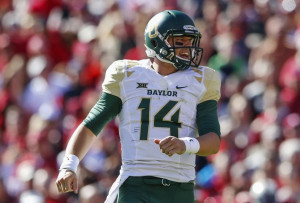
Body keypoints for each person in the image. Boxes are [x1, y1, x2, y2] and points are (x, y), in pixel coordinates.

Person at [56, 10, 221, 203]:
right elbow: (92, 124)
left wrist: (185, 144)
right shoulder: (127, 75)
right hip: (135, 184)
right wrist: (69, 165)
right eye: (180, 41)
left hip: (179, 187)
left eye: (190, 42)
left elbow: (213, 140)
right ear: (157, 42)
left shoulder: (202, 79)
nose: (187, 48)